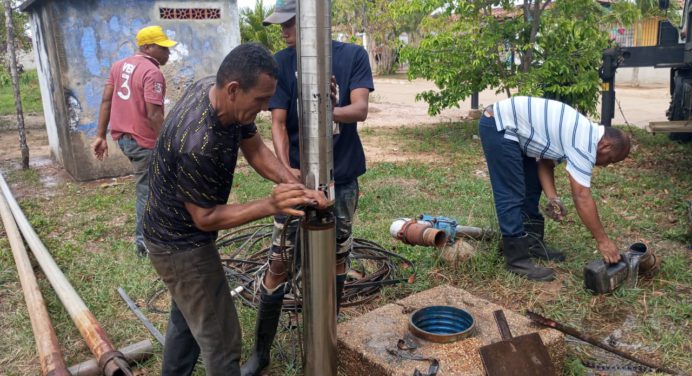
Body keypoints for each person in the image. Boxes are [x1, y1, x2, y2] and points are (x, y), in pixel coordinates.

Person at [142, 43, 328, 376]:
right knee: (222, 339)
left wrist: (293, 184)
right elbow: (205, 218)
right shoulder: (198, 144)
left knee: (187, 318)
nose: (266, 107)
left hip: (169, 231)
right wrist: (271, 204)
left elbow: (255, 148)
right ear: (233, 90)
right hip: (180, 244)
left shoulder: (216, 94)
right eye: (260, 100)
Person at [241, 1, 374, 375]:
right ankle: (260, 353)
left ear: (314, 23)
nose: (283, 32)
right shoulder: (281, 64)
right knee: (281, 259)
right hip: (297, 180)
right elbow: (279, 124)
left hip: (342, 178)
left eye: (289, 24)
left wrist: (323, 110)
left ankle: (325, 335)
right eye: (281, 26)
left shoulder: (352, 56)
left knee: (337, 255)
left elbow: (359, 109)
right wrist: (287, 172)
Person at [478, 96, 631, 281]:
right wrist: (603, 241)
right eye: (611, 160)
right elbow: (581, 196)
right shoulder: (583, 140)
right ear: (606, 146)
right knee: (512, 193)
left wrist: (553, 198)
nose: (606, 165)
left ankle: (531, 243)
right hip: (499, 125)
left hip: (515, 129)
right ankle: (516, 260)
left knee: (531, 186)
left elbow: (545, 162)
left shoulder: (583, 132)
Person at [91, 25, 176, 257]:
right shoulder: (152, 72)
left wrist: (100, 135)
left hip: (124, 140)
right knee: (148, 191)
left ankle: (160, 232)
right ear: (147, 47)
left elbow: (106, 101)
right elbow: (154, 115)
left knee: (154, 187)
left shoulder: (119, 66)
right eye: (163, 48)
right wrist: (167, 147)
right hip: (144, 142)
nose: (168, 53)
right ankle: (144, 245)